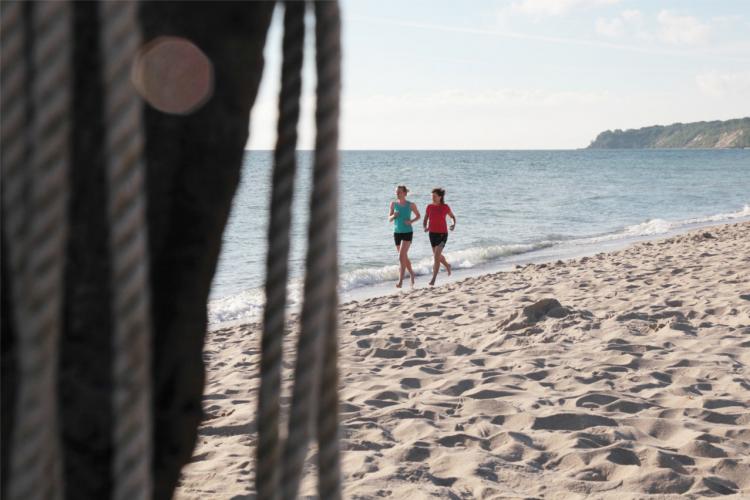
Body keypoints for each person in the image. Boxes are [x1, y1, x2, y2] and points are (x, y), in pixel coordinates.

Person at [389, 185, 420, 288]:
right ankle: (411, 273)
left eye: (399, 192)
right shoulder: (393, 204)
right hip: (397, 233)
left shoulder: (411, 205)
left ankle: (400, 281)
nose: (397, 194)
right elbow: (389, 219)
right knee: (404, 257)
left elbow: (418, 216)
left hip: (407, 232)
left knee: (401, 256)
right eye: (396, 192)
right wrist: (394, 216)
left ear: (405, 193)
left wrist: (410, 221)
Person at [423, 187, 456, 286]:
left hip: (442, 234)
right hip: (432, 234)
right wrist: (425, 227)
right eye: (432, 196)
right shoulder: (429, 207)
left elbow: (452, 217)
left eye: (434, 196)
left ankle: (433, 279)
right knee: (437, 256)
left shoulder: (445, 207)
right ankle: (447, 265)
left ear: (440, 197)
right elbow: (425, 219)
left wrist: (453, 224)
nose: (432, 198)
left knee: (436, 256)